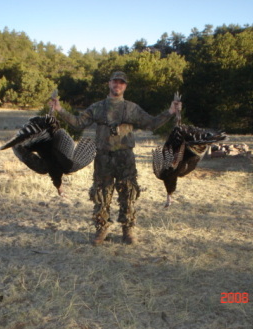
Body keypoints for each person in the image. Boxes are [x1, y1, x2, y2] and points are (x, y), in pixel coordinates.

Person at [49, 71, 182, 245]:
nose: (117, 85)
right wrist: (59, 109)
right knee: (101, 194)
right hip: (103, 157)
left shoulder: (132, 108)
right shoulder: (97, 107)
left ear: (125, 86)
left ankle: (128, 230)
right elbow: (78, 123)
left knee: (128, 193)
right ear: (109, 84)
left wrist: (171, 111)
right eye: (114, 82)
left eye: (121, 82)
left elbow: (152, 123)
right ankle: (101, 229)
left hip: (125, 157)